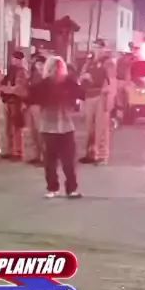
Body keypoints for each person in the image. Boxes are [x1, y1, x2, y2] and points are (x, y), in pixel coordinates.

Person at [34, 55, 83, 199]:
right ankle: (52, 188)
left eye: (60, 68)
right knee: (50, 161)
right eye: (54, 68)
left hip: (66, 127)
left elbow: (81, 94)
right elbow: (32, 97)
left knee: (69, 161)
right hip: (48, 127)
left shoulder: (68, 83)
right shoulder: (42, 86)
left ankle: (71, 189)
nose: (57, 72)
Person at [80, 42, 117, 165]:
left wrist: (110, 99)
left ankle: (102, 155)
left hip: (101, 96)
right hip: (89, 95)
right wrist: (84, 77)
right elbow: (81, 77)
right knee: (89, 127)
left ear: (103, 49)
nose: (96, 49)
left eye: (98, 47)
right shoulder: (89, 61)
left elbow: (112, 81)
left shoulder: (108, 63)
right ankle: (91, 153)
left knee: (101, 127)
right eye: (94, 47)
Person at [1, 50, 28, 161]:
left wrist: (8, 89)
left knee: (17, 127)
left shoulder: (22, 72)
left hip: (17, 102)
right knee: (8, 128)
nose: (14, 61)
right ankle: (10, 150)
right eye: (13, 59)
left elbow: (19, 88)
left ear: (21, 60)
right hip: (8, 101)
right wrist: (6, 90)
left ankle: (18, 152)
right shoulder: (11, 71)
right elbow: (3, 84)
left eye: (17, 59)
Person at [26, 54, 46, 165]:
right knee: (33, 132)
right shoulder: (32, 75)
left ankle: (44, 156)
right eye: (37, 64)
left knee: (41, 132)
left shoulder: (46, 76)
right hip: (31, 105)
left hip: (40, 106)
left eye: (41, 64)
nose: (39, 66)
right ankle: (36, 155)